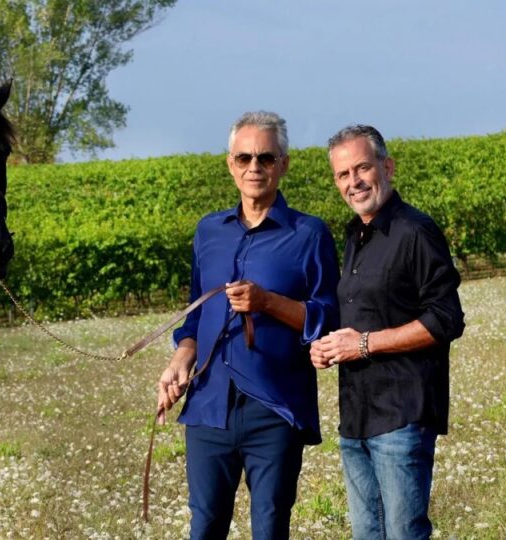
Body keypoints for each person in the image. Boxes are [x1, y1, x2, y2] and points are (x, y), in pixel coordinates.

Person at [157, 111, 339, 539]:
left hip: (274, 407)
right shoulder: (208, 232)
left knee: (270, 528)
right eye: (244, 158)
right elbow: (196, 314)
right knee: (204, 527)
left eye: (266, 158)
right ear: (230, 164)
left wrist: (268, 302)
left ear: (284, 164)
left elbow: (328, 317)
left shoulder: (309, 234)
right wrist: (182, 358)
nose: (254, 168)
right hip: (208, 407)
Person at [310, 124, 465, 539]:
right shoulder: (353, 236)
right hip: (356, 415)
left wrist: (362, 344)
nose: (354, 182)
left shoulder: (415, 231)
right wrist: (329, 347)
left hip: (401, 414)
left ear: (388, 166)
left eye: (362, 168)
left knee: (403, 534)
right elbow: (365, 314)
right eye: (343, 174)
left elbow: (447, 318)